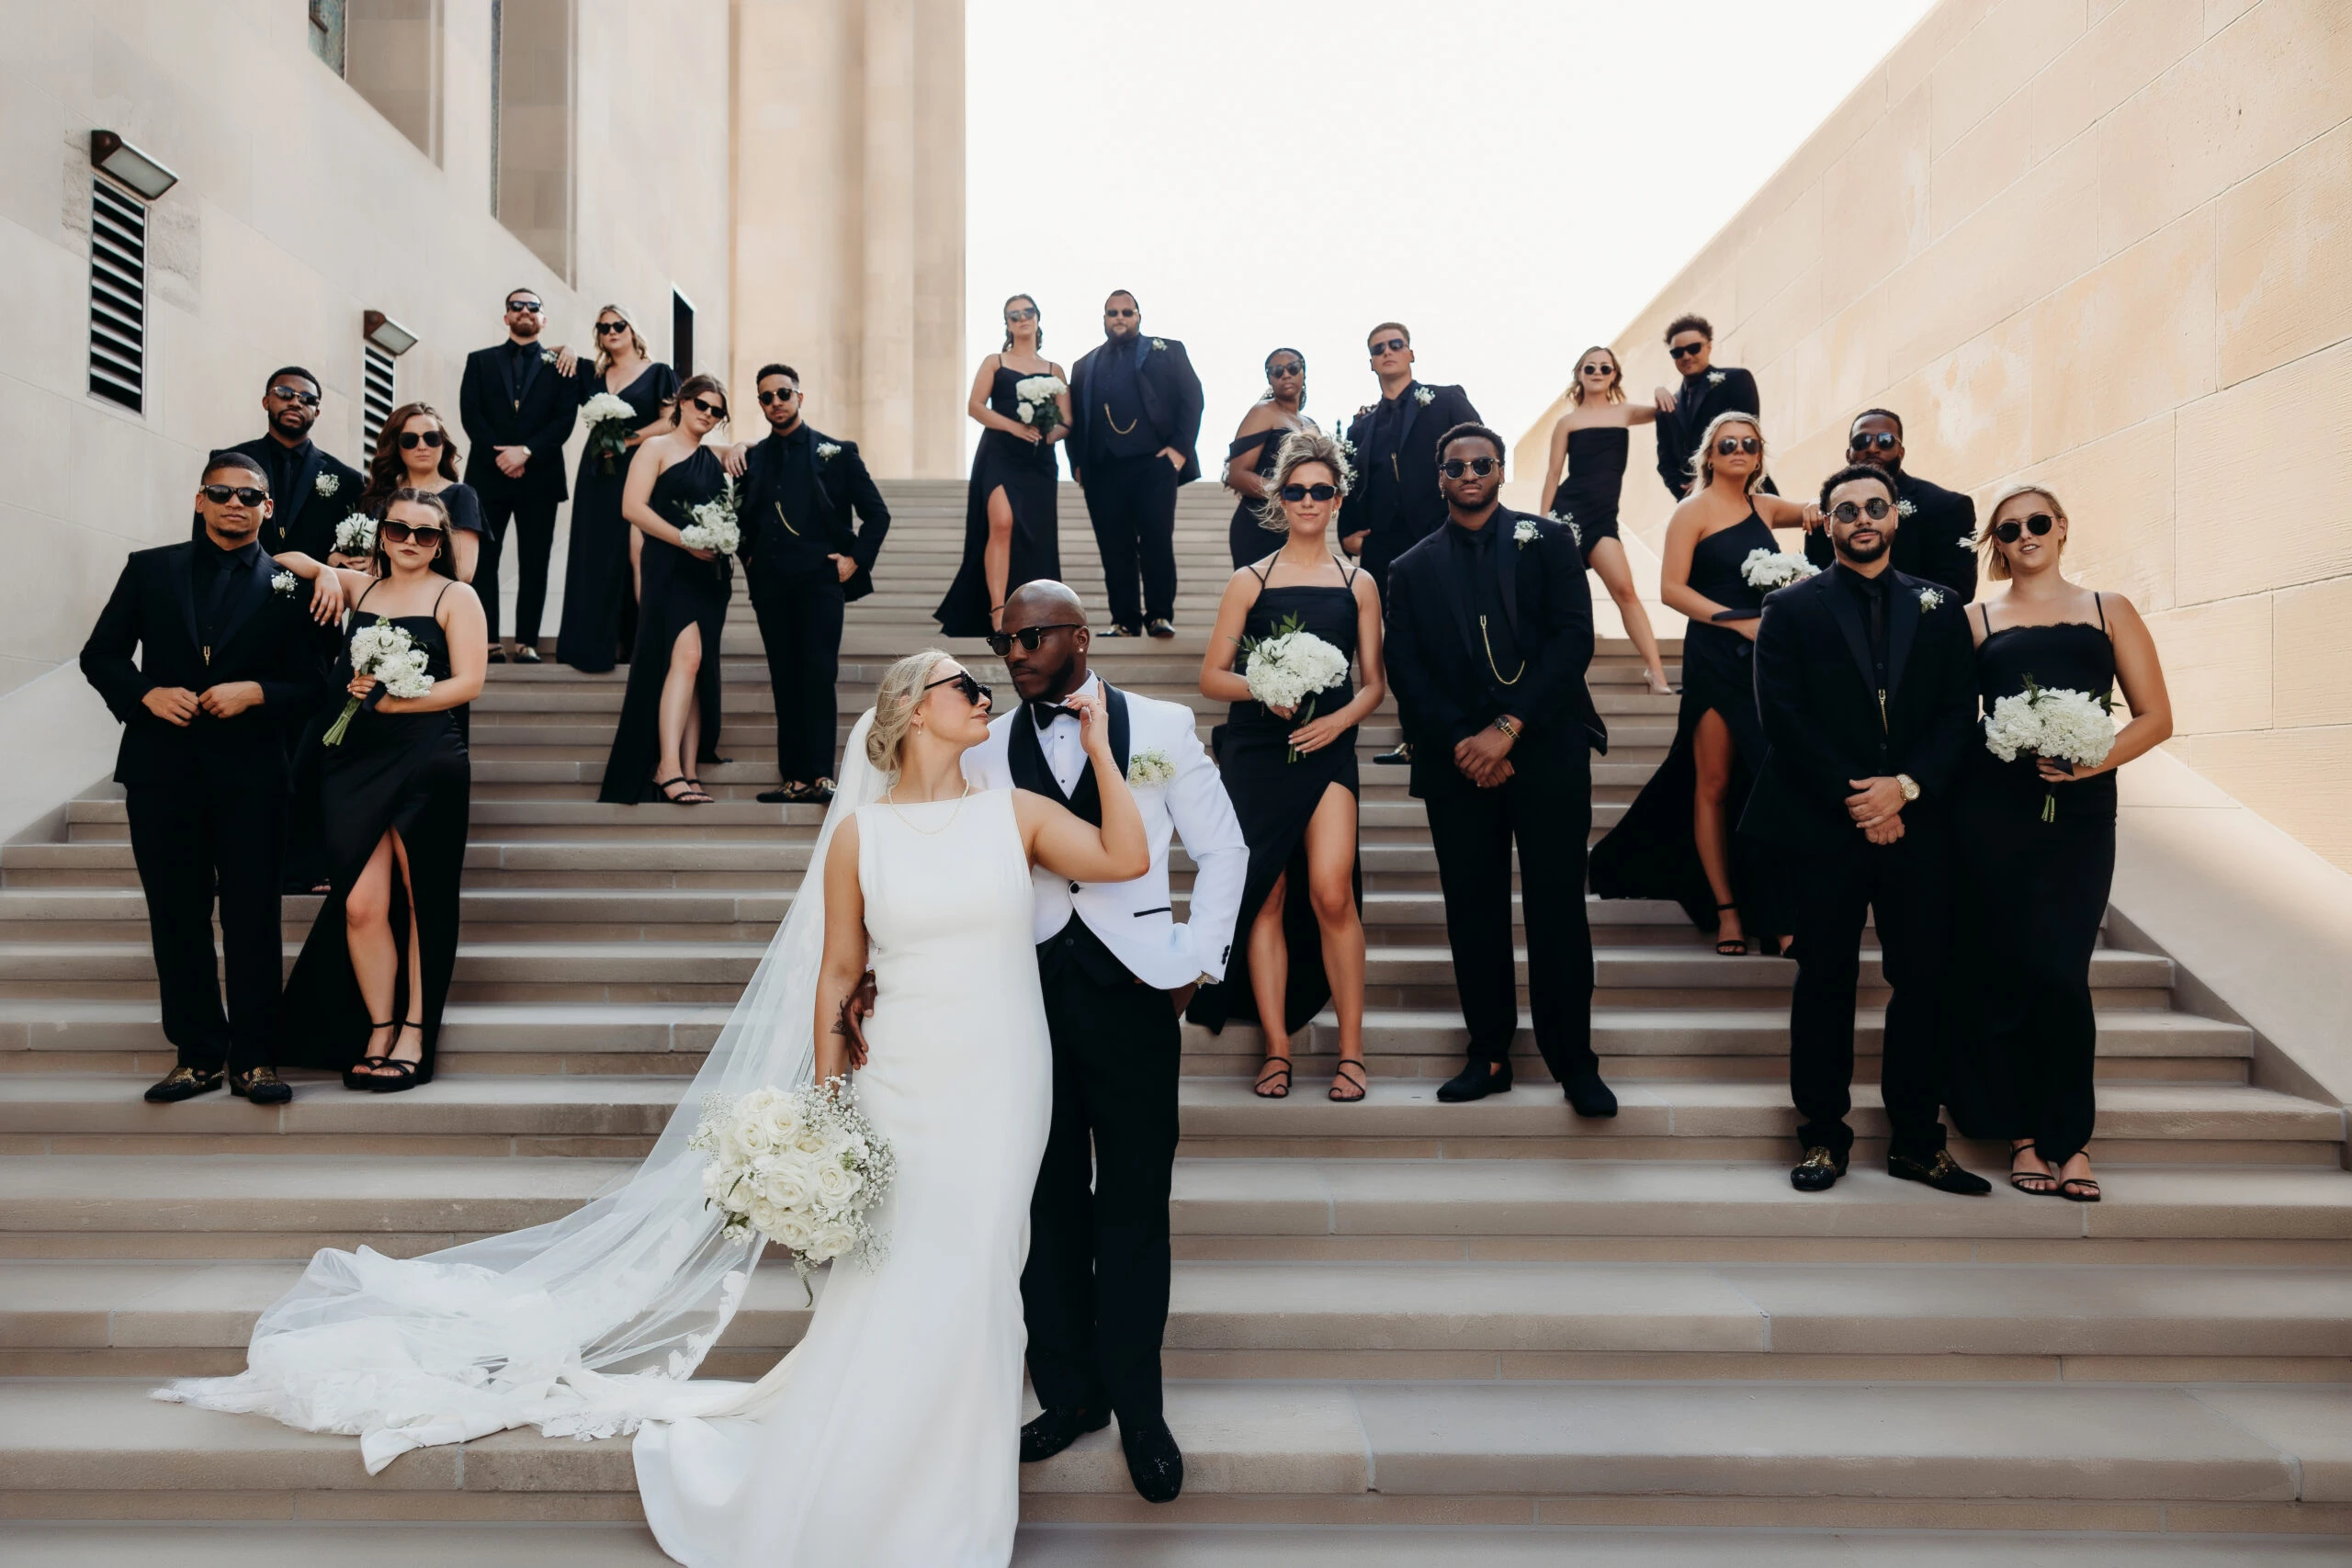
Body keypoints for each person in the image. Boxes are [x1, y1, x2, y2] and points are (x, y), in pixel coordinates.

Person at [161, 658, 1155, 1567]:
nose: (985, 698)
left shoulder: (1015, 813)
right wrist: (824, 1109)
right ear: (910, 711)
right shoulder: (860, 834)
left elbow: (1123, 858)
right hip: (902, 1077)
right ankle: (875, 1470)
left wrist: (1104, 750)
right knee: (896, 1269)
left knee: (983, 1261)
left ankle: (954, 1489)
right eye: (963, 685)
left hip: (1002, 1075)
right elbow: (838, 974)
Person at [958, 580, 1249, 1502]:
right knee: (1046, 1202)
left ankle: (1140, 1406)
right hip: (1026, 993)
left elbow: (1225, 850)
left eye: (1031, 638)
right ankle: (1070, 1394)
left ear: (1080, 636)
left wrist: (1193, 960)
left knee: (1132, 1204)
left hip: (1133, 994)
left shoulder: (1159, 727)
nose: (1014, 657)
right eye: (1004, 644)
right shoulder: (985, 749)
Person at [1740, 464, 1989, 1197]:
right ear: (1827, 522)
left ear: (1895, 515)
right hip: (1824, 824)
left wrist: (1903, 790)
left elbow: (1958, 713)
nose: (1862, 518)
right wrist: (1861, 799)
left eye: (1874, 505)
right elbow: (1783, 719)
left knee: (1924, 984)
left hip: (1920, 826)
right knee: (1824, 982)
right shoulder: (1790, 609)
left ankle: (1918, 1141)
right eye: (1845, 509)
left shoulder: (1942, 606)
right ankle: (1822, 1136)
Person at [79, 451, 335, 1106]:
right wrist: (144, 697)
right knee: (176, 916)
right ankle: (197, 1055)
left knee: (253, 916)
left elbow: (315, 685)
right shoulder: (150, 568)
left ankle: (254, 1058)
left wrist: (257, 691)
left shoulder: (290, 583)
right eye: (221, 492)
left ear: (267, 509)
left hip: (252, 776)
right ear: (200, 499)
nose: (234, 504)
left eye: (249, 496)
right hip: (161, 773)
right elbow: (100, 653)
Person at [1382, 425, 1614, 1117]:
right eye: (1457, 465)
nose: (1471, 473)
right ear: (1440, 476)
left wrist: (1508, 731)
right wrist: (1465, 742)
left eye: (1483, 463)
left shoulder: (1550, 541)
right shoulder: (1412, 567)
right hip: (1459, 765)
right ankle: (1488, 1054)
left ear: (1501, 469)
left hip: (1546, 750)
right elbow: (1407, 669)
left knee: (1558, 910)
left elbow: (1575, 637)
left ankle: (1575, 1061)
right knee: (1474, 913)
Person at [1950, 484, 2172, 1204]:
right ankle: (2020, 1134)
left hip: (2080, 814)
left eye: (2037, 522)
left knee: (2062, 972)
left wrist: (2090, 760)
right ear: (1998, 543)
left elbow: (2156, 716)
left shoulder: (2110, 609)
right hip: (1995, 813)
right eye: (2009, 529)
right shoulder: (1976, 618)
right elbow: (1953, 723)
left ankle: (2071, 1139)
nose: (2025, 534)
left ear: (2062, 528)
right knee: (2006, 969)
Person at [270, 491, 486, 1090]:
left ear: (441, 541)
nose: (411, 542)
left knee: (424, 902)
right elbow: (282, 559)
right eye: (398, 530)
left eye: (425, 534)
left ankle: (414, 1034)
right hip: (355, 759)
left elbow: (470, 681)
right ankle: (377, 1026)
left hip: (426, 756)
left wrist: (398, 697)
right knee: (362, 904)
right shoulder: (361, 589)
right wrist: (321, 572)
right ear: (381, 535)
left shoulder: (454, 595)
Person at [1193, 429, 1384, 1102]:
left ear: (1337, 500)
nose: (1308, 499)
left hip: (1327, 747)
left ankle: (1352, 1052)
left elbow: (1373, 683)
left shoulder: (1359, 583)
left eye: (1321, 490)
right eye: (1296, 489)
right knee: (1267, 890)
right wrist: (1264, 688)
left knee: (1332, 890)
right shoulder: (1251, 579)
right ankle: (1276, 1048)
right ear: (1279, 497)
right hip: (1257, 750)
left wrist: (1339, 719)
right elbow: (1213, 676)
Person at [1589, 413, 1815, 956]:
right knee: (1712, 783)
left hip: (1764, 663)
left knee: (1769, 779)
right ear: (1709, 456)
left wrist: (1816, 513)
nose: (1738, 450)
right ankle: (1728, 910)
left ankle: (1782, 912)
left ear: (1760, 456)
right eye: (1726, 444)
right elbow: (1670, 589)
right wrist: (1736, 620)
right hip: (1716, 655)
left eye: (1749, 444)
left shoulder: (1764, 508)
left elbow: (1816, 512)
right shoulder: (1690, 510)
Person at [737, 363, 891, 806]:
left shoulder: (836, 452)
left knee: (819, 674)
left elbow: (877, 514)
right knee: (784, 678)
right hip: (770, 585)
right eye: (766, 397)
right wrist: (748, 557)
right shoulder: (754, 458)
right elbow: (740, 518)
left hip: (821, 582)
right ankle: (794, 778)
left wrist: (854, 561)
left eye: (783, 394)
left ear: (799, 398)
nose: (776, 403)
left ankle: (821, 775)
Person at [599, 374, 733, 805]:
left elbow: (739, 473)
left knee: (696, 667)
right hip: (670, 567)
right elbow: (631, 508)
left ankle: (689, 769)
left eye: (717, 411)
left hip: (709, 576)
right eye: (702, 405)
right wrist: (686, 541)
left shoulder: (714, 459)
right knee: (688, 657)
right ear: (683, 402)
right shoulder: (655, 449)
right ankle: (666, 767)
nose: (708, 415)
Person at [1065, 291, 1204, 638]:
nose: (1120, 317)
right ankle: (1124, 620)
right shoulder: (1084, 365)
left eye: (1127, 312)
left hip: (1154, 464)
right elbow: (1075, 418)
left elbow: (1193, 398)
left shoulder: (1168, 351)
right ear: (1104, 319)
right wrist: (1078, 464)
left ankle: (1158, 615)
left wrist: (1179, 451)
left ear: (1139, 316)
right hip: (1103, 469)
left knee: (1157, 539)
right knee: (1114, 546)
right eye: (1112, 313)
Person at [1536, 345, 1672, 694]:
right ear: (1579, 374)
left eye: (1605, 368)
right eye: (1590, 367)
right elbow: (1553, 475)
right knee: (1564, 600)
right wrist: (1543, 523)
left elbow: (1667, 410)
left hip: (1603, 520)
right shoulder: (1567, 422)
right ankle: (1569, 672)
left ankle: (1656, 674)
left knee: (1625, 591)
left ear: (1614, 375)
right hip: (1567, 515)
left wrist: (1660, 390)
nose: (1597, 372)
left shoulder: (1625, 413)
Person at [936, 293, 1070, 637]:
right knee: (1002, 522)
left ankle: (1035, 611)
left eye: (1028, 312)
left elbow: (1067, 422)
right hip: (998, 453)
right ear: (1007, 324)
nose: (1022, 318)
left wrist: (1045, 435)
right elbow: (975, 406)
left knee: (1036, 536)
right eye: (1014, 315)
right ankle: (997, 611)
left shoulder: (1055, 370)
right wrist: (1014, 427)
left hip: (1038, 462)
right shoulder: (994, 361)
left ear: (1038, 318)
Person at [458, 287, 578, 663]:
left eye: (533, 306)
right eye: (517, 306)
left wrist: (526, 451)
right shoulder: (479, 361)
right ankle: (489, 641)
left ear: (543, 318)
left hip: (540, 477)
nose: (525, 311)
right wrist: (503, 454)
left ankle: (526, 642)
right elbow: (470, 413)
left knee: (535, 561)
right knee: (485, 561)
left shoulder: (562, 365)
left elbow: (565, 419)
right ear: (506, 316)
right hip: (488, 474)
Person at [558, 303, 677, 672]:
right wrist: (566, 349)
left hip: (639, 468)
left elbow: (672, 420)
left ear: (631, 329)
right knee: (593, 552)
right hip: (596, 472)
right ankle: (591, 646)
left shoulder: (658, 372)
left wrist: (631, 439)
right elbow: (545, 356)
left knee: (633, 551)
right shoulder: (592, 373)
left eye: (618, 325)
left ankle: (634, 642)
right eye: (603, 327)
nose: (611, 332)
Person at [1338, 321, 1480, 593]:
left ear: (1411, 354)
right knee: (1396, 633)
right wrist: (1347, 535)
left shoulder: (1446, 400)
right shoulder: (1359, 427)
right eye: (1379, 349)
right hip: (1382, 551)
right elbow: (1348, 480)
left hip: (1444, 537)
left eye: (1396, 345)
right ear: (1372, 363)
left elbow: (1483, 451)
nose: (1387, 352)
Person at [1800, 408, 1979, 601]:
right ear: (1848, 454)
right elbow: (1816, 586)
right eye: (1861, 442)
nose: (1872, 448)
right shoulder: (1828, 513)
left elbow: (1957, 591)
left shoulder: (1946, 506)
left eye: (1885, 441)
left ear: (1901, 452)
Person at [225, 367, 365, 558]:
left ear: (317, 412)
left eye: (307, 399)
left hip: (311, 586)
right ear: (266, 401)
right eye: (285, 393)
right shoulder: (228, 461)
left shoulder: (348, 479)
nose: (295, 402)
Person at [356, 403, 484, 584]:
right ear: (396, 446)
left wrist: (380, 567)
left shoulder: (461, 496)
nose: (422, 446)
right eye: (410, 439)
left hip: (426, 605)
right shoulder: (378, 495)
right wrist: (338, 558)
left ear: (443, 444)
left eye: (432, 438)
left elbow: (463, 572)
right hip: (372, 600)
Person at [1650, 314, 1767, 501]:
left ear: (1709, 346)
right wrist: (1686, 492)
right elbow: (1666, 463)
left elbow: (1748, 436)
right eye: (1678, 352)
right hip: (1697, 504)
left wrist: (1706, 479)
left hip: (1745, 493)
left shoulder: (1736, 379)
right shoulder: (1668, 405)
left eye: (1694, 348)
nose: (1686, 356)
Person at [1219, 347, 1317, 570]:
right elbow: (1238, 475)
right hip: (1259, 524)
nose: (1285, 374)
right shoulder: (1263, 412)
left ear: (1303, 372)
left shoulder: (1311, 424)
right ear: (1269, 379)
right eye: (1276, 370)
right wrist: (1286, 495)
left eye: (1293, 368)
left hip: (1298, 526)